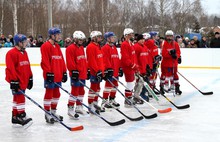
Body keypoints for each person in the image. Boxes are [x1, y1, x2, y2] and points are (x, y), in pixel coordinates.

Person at [40, 27, 67, 124]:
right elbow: (45, 61)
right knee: (49, 94)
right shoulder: (45, 46)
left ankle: (53, 112)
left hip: (58, 75)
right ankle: (47, 113)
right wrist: (48, 73)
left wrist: (64, 71)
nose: (59, 36)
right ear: (52, 35)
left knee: (57, 94)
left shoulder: (57, 46)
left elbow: (61, 59)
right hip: (50, 75)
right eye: (58, 34)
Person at [5, 34, 33, 126]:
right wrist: (13, 80)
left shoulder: (24, 52)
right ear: (19, 43)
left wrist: (30, 77)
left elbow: (27, 66)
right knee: (20, 97)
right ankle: (21, 115)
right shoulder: (11, 53)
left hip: (24, 79)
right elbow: (10, 68)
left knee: (16, 97)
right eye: (24, 42)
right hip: (17, 81)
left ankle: (15, 116)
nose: (26, 44)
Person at [66, 31, 88, 118]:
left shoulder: (82, 48)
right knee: (75, 91)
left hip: (82, 73)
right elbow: (70, 61)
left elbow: (83, 60)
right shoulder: (70, 48)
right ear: (75, 39)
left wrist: (87, 69)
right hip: (76, 73)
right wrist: (73, 71)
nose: (81, 41)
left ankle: (79, 106)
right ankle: (70, 109)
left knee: (81, 90)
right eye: (79, 40)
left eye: (82, 40)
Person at [101, 32, 122, 109]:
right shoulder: (105, 48)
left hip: (115, 70)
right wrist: (108, 69)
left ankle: (112, 99)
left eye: (114, 37)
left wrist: (120, 68)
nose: (114, 38)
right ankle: (105, 101)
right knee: (108, 86)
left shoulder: (114, 47)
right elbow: (105, 60)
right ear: (108, 39)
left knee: (115, 86)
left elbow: (117, 58)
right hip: (110, 71)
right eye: (112, 37)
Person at [86, 31, 105, 113]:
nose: (100, 38)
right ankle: (90, 105)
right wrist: (97, 71)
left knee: (97, 88)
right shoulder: (91, 47)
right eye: (98, 37)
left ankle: (95, 103)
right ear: (94, 38)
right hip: (95, 72)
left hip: (100, 71)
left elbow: (101, 60)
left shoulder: (98, 46)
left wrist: (103, 71)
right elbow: (92, 61)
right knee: (93, 88)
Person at [160, 30, 182, 95]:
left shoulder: (175, 44)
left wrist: (176, 56)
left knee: (175, 75)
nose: (169, 38)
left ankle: (177, 87)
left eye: (170, 36)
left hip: (174, 63)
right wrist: (170, 53)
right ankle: (162, 87)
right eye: (168, 36)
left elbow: (178, 52)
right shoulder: (163, 43)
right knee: (164, 75)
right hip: (166, 63)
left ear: (172, 36)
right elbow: (163, 53)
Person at [120, 28, 138, 107]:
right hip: (128, 67)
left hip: (132, 67)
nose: (132, 36)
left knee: (132, 82)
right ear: (126, 35)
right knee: (130, 83)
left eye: (132, 34)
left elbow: (133, 56)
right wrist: (132, 65)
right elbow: (125, 58)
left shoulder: (131, 43)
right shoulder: (124, 44)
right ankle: (127, 99)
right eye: (130, 34)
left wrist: (135, 65)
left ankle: (129, 97)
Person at [133, 34, 151, 103]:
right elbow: (135, 59)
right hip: (138, 69)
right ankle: (135, 96)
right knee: (138, 84)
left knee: (142, 83)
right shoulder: (136, 47)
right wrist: (137, 69)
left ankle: (140, 95)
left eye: (143, 39)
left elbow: (146, 58)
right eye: (141, 39)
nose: (143, 41)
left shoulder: (145, 47)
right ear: (138, 40)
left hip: (144, 68)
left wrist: (147, 66)